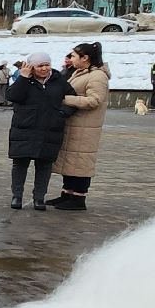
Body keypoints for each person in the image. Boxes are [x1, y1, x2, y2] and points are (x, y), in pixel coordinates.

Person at [50, 42, 110, 211]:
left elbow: (94, 100)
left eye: (74, 56)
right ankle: (67, 194)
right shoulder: (81, 72)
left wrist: (65, 99)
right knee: (71, 161)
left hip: (86, 126)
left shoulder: (97, 76)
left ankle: (78, 198)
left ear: (85, 58)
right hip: (75, 124)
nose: (71, 59)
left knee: (81, 162)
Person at [7, 50, 69, 210]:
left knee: (44, 166)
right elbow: (12, 96)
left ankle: (39, 197)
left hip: (50, 129)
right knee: (20, 164)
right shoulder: (25, 80)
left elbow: (71, 99)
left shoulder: (58, 80)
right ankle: (17, 196)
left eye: (47, 65)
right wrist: (23, 77)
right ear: (31, 66)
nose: (44, 68)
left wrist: (62, 114)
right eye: (40, 65)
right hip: (25, 129)